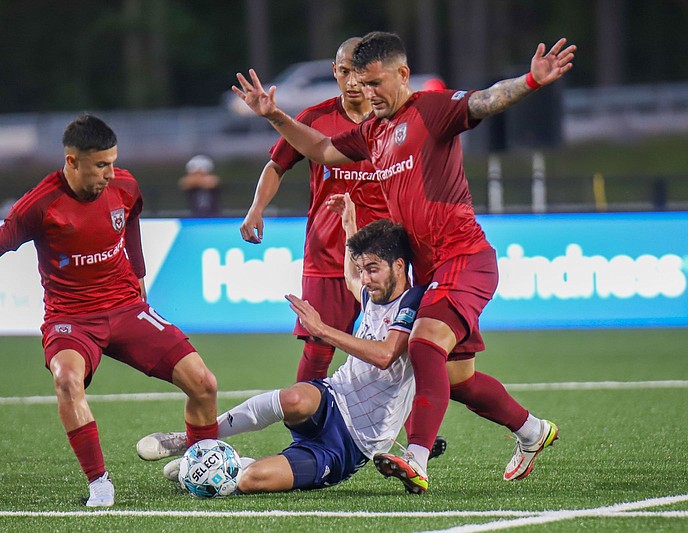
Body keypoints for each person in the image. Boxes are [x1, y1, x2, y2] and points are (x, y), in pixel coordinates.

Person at [232, 32, 575, 492]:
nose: (367, 92)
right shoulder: (373, 132)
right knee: (457, 380)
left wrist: (531, 81)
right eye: (360, 82)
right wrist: (274, 114)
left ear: (403, 74)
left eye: (375, 82)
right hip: (428, 270)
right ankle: (532, 430)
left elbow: (488, 100)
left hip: (465, 256)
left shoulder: (432, 111)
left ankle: (415, 457)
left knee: (423, 342)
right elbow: (321, 149)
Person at [0, 114, 219, 507]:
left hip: (126, 306)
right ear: (72, 161)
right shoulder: (41, 204)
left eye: (112, 162)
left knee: (205, 384)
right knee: (66, 381)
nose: (110, 173)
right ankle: (99, 483)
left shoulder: (125, 184)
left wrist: (139, 275)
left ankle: (199, 462)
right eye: (100, 165)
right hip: (71, 319)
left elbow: (131, 223)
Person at [138, 195, 445, 493]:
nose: (365, 279)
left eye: (373, 269)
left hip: (353, 443)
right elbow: (351, 275)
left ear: (399, 266)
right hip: (334, 399)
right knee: (295, 397)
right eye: (363, 269)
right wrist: (349, 222)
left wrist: (322, 329)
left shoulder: (415, 302)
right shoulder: (371, 292)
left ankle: (213, 465)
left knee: (250, 480)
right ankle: (195, 439)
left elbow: (386, 355)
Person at [240, 37, 390, 381]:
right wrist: (256, 208)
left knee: (398, 349)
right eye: (345, 72)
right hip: (328, 255)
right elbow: (276, 165)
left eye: (360, 73)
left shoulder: (392, 121)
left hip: (384, 253)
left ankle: (417, 436)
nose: (352, 82)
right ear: (334, 72)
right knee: (319, 346)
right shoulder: (315, 119)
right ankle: (306, 431)